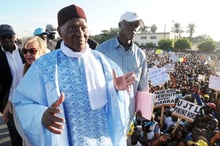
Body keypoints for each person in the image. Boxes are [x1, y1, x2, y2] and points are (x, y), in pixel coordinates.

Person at [12, 4, 135, 146]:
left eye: (83, 28)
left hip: (102, 139)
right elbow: (22, 102)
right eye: (72, 28)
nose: (80, 33)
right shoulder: (45, 66)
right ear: (60, 32)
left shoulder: (103, 62)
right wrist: (41, 115)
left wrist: (114, 89)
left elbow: (115, 107)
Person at [96, 11, 148, 144]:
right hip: (106, 111)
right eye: (130, 25)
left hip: (128, 114)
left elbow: (142, 87)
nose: (134, 29)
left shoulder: (140, 55)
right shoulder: (102, 50)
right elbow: (94, 81)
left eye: (136, 26)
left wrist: (143, 110)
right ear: (120, 25)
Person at [0, 24, 23, 146]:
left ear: (15, 37)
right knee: (15, 135)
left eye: (9, 36)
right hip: (9, 102)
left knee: (29, 132)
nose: (7, 40)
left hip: (27, 98)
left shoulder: (24, 52)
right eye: (3, 38)